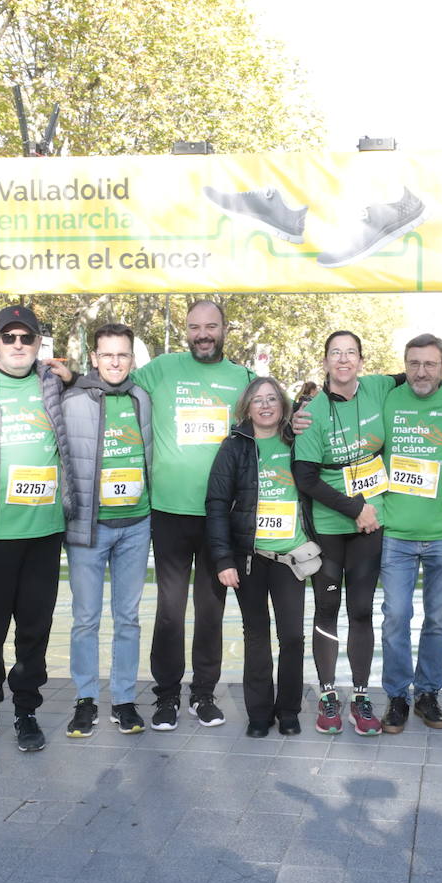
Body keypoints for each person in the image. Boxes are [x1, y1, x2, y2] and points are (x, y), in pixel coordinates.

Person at [0, 305, 71, 754]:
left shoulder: (53, 383)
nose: (18, 345)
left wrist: (75, 374)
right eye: (10, 337)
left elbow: (104, 386)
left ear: (40, 343)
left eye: (27, 338)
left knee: (35, 628)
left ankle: (26, 707)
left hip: (44, 532)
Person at [134, 300, 253, 730]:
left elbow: (281, 410)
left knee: (210, 610)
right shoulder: (162, 369)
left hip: (221, 517)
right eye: (194, 327)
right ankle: (165, 695)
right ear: (186, 331)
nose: (203, 333)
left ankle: (203, 694)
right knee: (169, 609)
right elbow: (111, 381)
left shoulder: (243, 379)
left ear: (225, 329)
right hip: (169, 512)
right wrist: (70, 377)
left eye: (211, 326)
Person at [292, 331, 394, 735]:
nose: (344, 360)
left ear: (362, 361)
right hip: (334, 523)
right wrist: (356, 508)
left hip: (371, 522)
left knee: (363, 610)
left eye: (351, 353)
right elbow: (305, 477)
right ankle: (328, 694)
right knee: (328, 608)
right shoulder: (313, 412)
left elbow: (419, 379)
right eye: (336, 353)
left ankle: (363, 694)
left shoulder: (378, 387)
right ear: (326, 361)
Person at [207, 377, 313, 737]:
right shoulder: (233, 447)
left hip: (291, 557)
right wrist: (223, 560)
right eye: (257, 400)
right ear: (246, 408)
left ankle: (289, 710)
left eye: (271, 399)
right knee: (256, 634)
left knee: (293, 636)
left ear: (283, 405)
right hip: (249, 557)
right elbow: (217, 505)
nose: (265, 406)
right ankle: (258, 713)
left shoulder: (298, 441)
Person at [62, 322, 154, 736]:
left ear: (132, 359)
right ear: (94, 357)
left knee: (128, 618)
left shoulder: (142, 398)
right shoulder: (71, 399)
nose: (115, 362)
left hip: (136, 525)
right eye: (107, 354)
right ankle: (85, 699)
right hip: (89, 529)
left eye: (122, 355)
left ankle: (123, 699)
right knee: (85, 619)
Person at [379, 334, 442, 732]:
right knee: (395, 616)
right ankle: (397, 695)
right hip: (395, 532)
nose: (421, 371)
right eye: (414, 363)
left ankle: (428, 693)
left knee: (438, 620)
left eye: (429, 364)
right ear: (404, 365)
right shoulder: (387, 397)